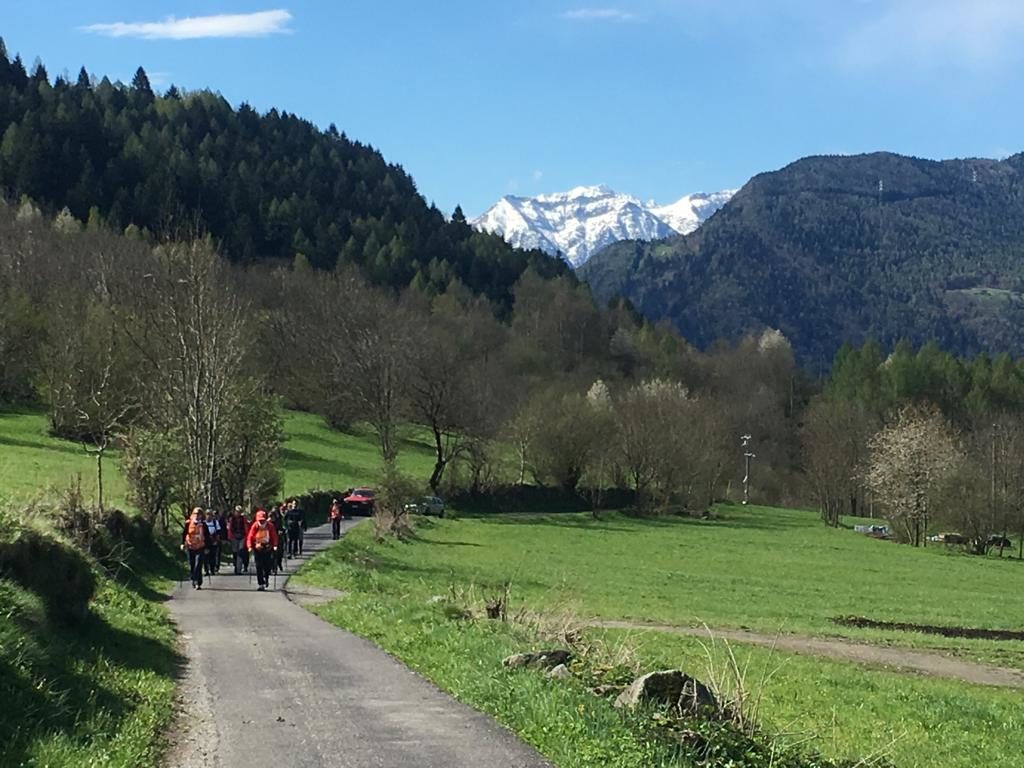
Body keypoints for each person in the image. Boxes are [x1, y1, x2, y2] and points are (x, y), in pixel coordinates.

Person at [246, 509, 279, 591]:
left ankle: (266, 578)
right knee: (259, 566)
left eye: (263, 520)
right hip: (258, 547)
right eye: (260, 520)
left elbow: (274, 536)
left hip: (267, 547)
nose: (261, 522)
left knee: (267, 565)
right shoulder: (255, 526)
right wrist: (250, 546)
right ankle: (261, 584)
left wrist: (275, 545)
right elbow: (250, 536)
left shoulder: (270, 526)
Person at [181, 507, 212, 590]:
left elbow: (207, 536)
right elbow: (184, 534)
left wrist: (207, 547)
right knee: (192, 564)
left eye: (199, 514)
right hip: (190, 546)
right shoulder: (188, 523)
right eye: (195, 514)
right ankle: (193, 580)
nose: (197, 516)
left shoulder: (203, 525)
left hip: (200, 547)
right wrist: (182, 544)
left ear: (201, 515)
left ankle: (198, 582)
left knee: (198, 564)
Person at [226, 506, 250, 574]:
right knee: (235, 552)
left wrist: (246, 537)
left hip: (242, 537)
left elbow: (246, 528)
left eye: (240, 512)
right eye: (237, 511)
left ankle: (238, 569)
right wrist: (229, 538)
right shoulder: (232, 519)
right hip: (234, 537)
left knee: (240, 552)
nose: (238, 513)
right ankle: (235, 566)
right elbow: (230, 529)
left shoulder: (243, 519)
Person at [203, 509, 222, 576]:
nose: (209, 516)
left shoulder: (215, 522)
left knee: (213, 556)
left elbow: (219, 532)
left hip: (213, 541)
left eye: (210, 515)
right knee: (205, 556)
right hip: (205, 542)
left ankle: (212, 569)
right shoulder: (203, 523)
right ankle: (206, 570)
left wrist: (217, 540)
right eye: (207, 514)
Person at [269, 504, 286, 571]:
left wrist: (281, 531)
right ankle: (272, 566)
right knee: (271, 554)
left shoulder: (278, 520)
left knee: (279, 552)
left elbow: (281, 528)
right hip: (269, 539)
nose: (272, 518)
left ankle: (278, 564)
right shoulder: (267, 522)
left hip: (278, 538)